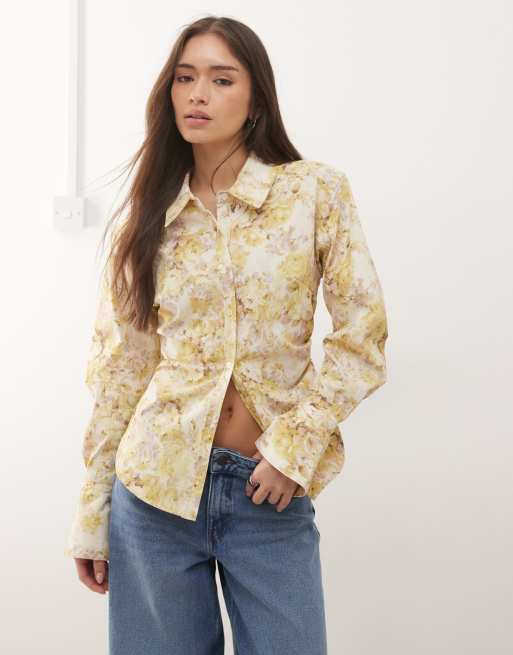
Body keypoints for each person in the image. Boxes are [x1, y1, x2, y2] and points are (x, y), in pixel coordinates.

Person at [65, 14, 388, 655]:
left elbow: (363, 337)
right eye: (185, 78)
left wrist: (294, 448)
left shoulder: (314, 193)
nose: (198, 95)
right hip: (153, 493)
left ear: (256, 99)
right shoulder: (148, 217)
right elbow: (121, 370)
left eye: (220, 79)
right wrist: (93, 510)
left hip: (268, 491)